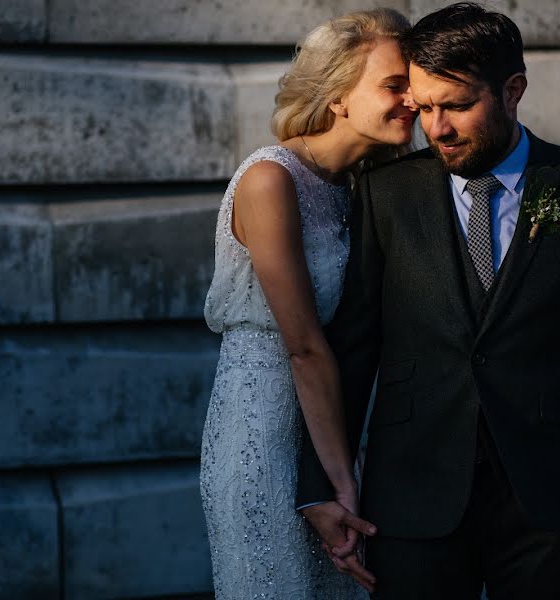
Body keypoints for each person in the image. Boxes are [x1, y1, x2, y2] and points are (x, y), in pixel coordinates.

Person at [297, 3, 560, 599]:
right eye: (424, 107)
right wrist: (321, 486)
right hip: (411, 504)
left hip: (556, 506)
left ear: (512, 90)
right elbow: (352, 350)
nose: (436, 128)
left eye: (458, 106)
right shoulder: (386, 192)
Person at [199, 8, 416, 599]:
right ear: (340, 95)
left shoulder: (362, 185)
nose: (414, 102)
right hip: (263, 428)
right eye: (394, 85)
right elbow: (303, 346)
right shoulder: (271, 180)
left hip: (338, 428)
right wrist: (340, 486)